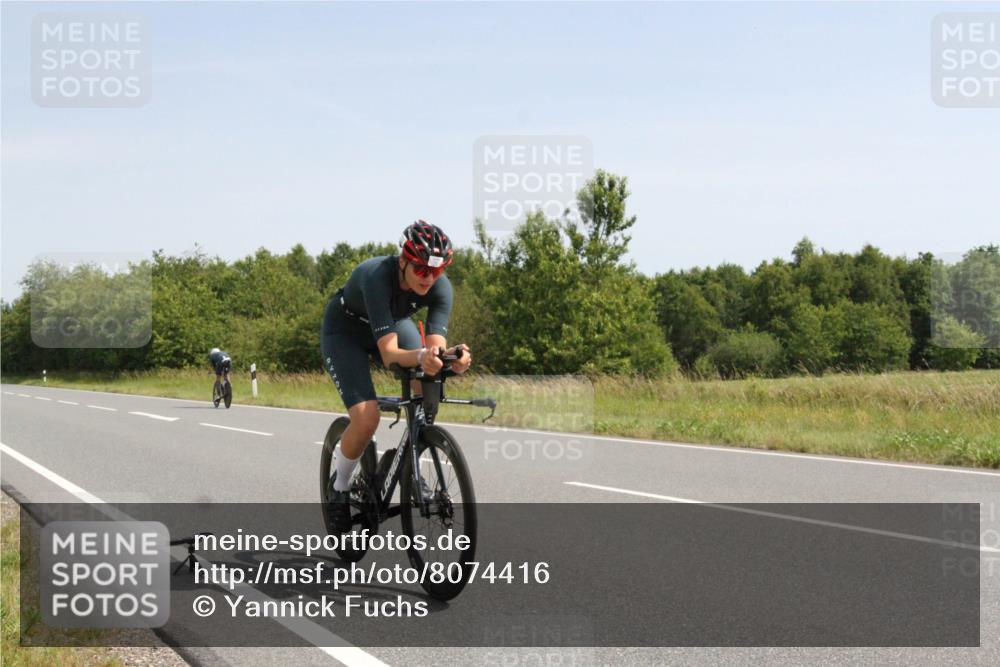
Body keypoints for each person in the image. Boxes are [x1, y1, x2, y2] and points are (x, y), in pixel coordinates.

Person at [321, 220, 472, 532]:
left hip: (392, 322)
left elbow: (434, 352)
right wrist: (421, 357)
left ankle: (411, 461)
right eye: (421, 270)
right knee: (366, 418)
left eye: (437, 270)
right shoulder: (377, 276)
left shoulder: (441, 288)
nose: (429, 278)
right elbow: (390, 354)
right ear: (404, 260)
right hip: (345, 330)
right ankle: (340, 486)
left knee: (425, 381)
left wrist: (449, 361)